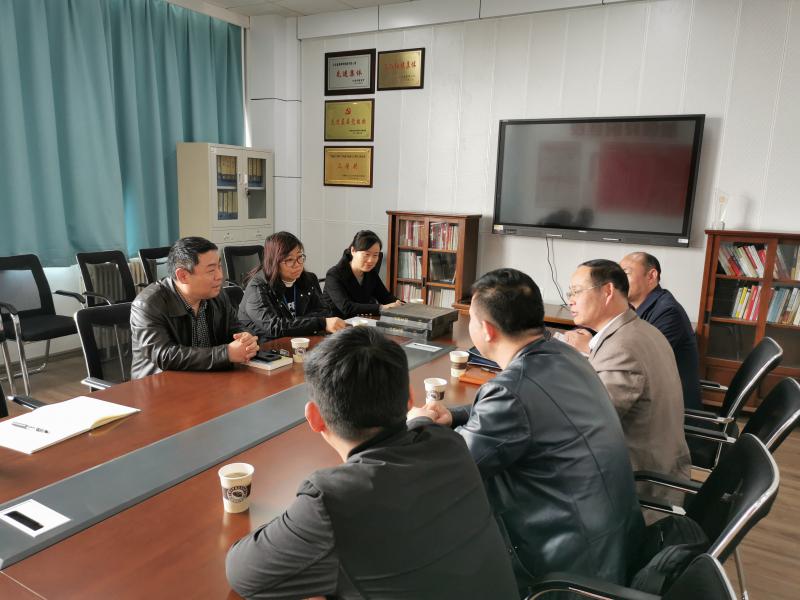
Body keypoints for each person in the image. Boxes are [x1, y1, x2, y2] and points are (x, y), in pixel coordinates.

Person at [225, 326, 518, 600]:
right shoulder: (450, 443)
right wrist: (421, 420)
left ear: (314, 418)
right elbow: (421, 428)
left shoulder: (332, 499)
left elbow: (242, 573)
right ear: (410, 399)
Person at [408, 269, 644, 592]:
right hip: (611, 546)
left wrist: (417, 422)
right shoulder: (565, 354)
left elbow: (451, 470)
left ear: (486, 330)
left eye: (472, 319)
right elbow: (526, 414)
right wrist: (453, 416)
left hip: (565, 572)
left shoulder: (511, 391)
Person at [563, 259, 691, 484]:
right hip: (659, 464)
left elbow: (583, 426)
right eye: (569, 293)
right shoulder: (641, 330)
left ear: (607, 291)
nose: (570, 300)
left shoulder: (621, 349)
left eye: (577, 291)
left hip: (637, 482)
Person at [130, 236, 259, 380]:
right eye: (211, 270)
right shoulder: (147, 304)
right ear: (183, 276)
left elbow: (235, 327)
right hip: (160, 384)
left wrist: (246, 338)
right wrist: (226, 353)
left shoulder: (218, 295)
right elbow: (164, 355)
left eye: (219, 266)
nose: (220, 276)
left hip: (208, 378)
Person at [620, 252, 702, 410]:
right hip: (651, 396)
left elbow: (638, 361)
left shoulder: (668, 312)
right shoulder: (634, 308)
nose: (619, 281)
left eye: (626, 274)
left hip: (671, 410)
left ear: (651, 276)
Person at [238, 231, 346, 340]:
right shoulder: (257, 287)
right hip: (264, 345)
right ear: (274, 262)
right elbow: (274, 327)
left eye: (300, 257)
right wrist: (317, 323)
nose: (298, 265)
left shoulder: (309, 279)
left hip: (300, 339)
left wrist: (296, 324)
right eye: (289, 260)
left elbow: (325, 312)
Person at [323, 230, 403, 318]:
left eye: (375, 255)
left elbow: (385, 297)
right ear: (353, 250)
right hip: (338, 323)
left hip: (361, 321)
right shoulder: (334, 275)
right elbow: (346, 307)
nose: (371, 260)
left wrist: (402, 305)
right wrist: (382, 308)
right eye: (366, 254)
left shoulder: (370, 272)